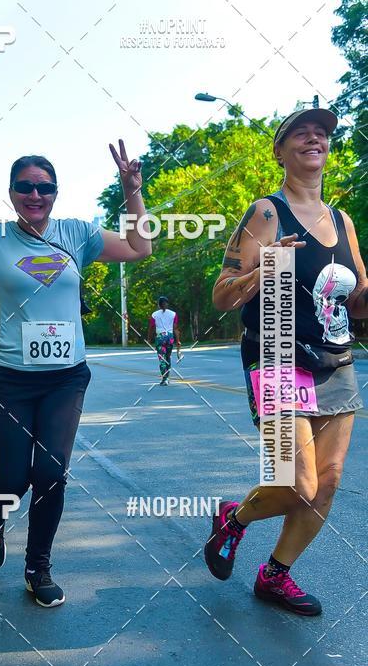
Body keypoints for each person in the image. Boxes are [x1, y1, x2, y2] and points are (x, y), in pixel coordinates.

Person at [0, 133, 151, 606]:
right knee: (11, 479)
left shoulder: (78, 234)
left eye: (44, 187)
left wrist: (131, 189)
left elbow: (139, 248)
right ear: (12, 192)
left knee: (50, 473)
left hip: (66, 377)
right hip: (11, 378)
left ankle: (37, 567)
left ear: (56, 192)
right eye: (25, 186)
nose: (35, 195)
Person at [205, 107, 367, 616]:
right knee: (298, 483)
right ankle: (234, 518)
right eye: (301, 132)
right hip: (275, 355)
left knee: (330, 480)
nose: (314, 137)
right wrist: (265, 267)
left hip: (335, 360)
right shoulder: (266, 213)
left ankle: (275, 575)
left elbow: (358, 301)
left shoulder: (343, 222)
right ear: (280, 150)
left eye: (321, 133)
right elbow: (221, 296)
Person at [148, 295, 181, 384]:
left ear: (159, 305)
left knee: (162, 358)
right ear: (167, 304)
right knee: (168, 357)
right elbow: (175, 329)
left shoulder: (154, 315)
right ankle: (167, 377)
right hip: (170, 338)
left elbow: (151, 327)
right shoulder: (173, 314)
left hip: (160, 338)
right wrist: (178, 340)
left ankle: (164, 378)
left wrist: (149, 339)